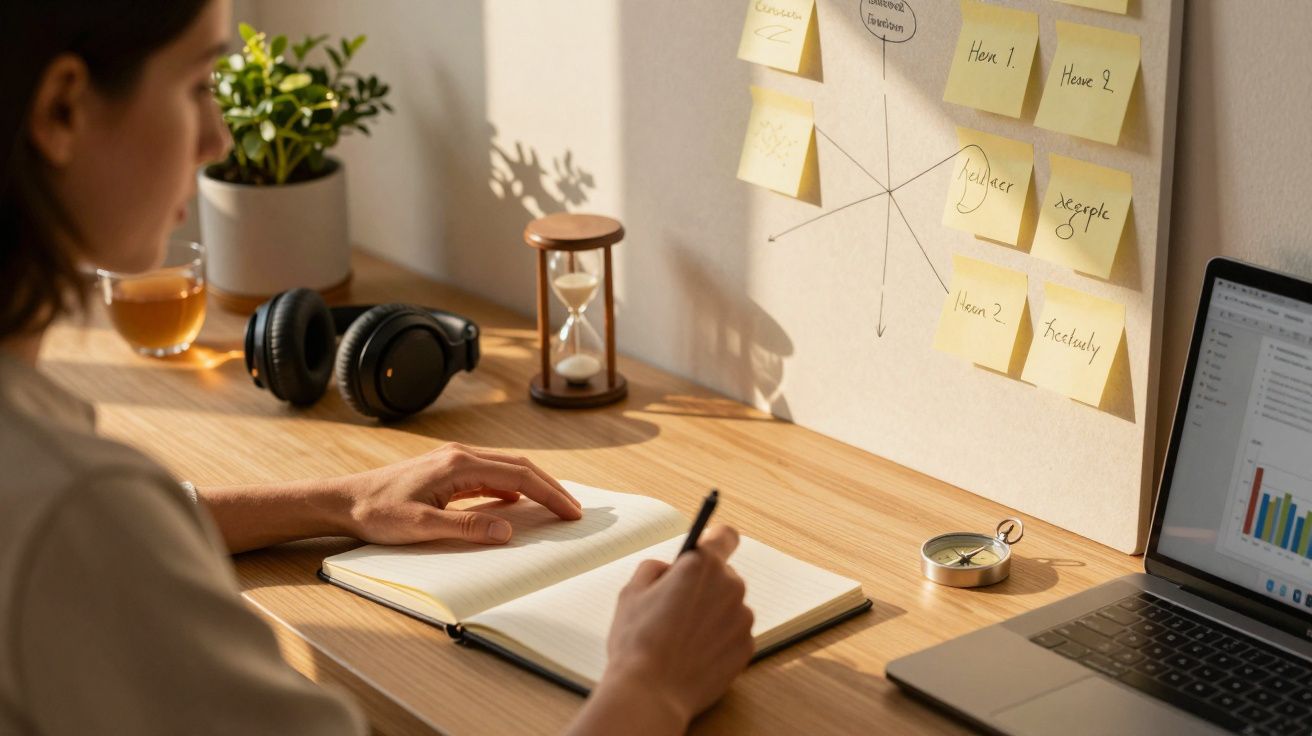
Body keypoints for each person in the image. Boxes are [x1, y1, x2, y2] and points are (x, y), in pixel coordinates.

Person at [0, 0, 755, 733]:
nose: (220, 140)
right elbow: (90, 532)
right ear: (63, 109)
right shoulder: (77, 509)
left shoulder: (56, 488)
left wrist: (338, 500)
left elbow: (109, 532)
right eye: (198, 85)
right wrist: (650, 687)